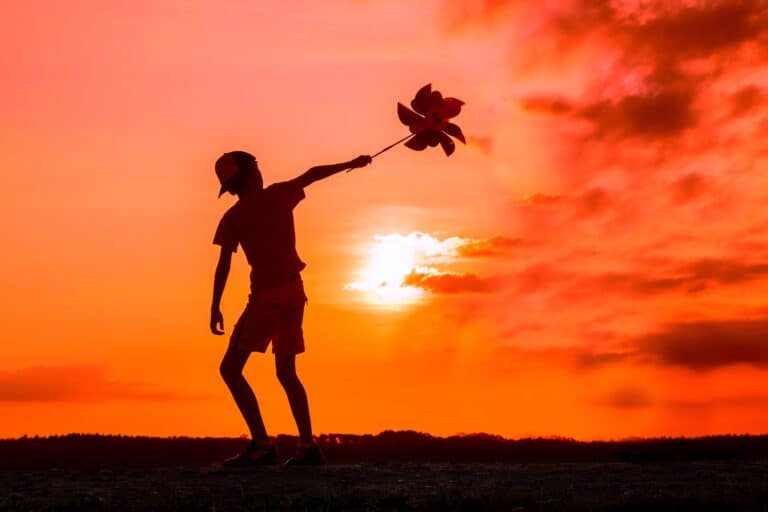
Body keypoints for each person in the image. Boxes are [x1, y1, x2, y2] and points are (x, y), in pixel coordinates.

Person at [210, 150, 372, 466]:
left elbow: (224, 264)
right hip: (295, 292)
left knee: (230, 369)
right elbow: (312, 172)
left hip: (266, 297)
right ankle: (307, 446)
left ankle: (260, 444)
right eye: (256, 166)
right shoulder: (280, 195)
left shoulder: (232, 217)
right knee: (286, 372)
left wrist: (215, 306)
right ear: (251, 174)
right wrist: (350, 163)